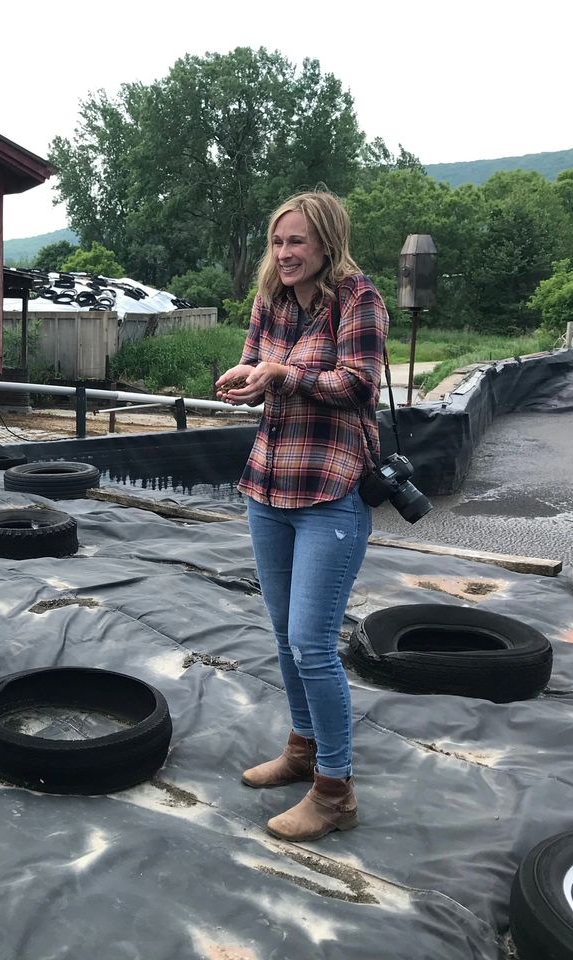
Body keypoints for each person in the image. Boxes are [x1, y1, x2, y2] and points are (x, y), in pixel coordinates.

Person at [214, 190, 387, 843]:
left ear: (326, 244)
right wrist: (245, 376)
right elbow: (259, 363)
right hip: (268, 487)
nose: (285, 254)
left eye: (297, 242)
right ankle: (303, 748)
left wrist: (283, 376)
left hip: (330, 492)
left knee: (315, 645)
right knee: (285, 636)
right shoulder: (270, 299)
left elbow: (357, 384)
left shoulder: (359, 299)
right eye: (278, 242)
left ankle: (336, 791)